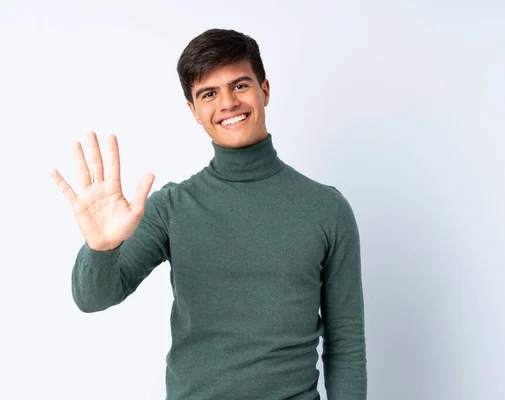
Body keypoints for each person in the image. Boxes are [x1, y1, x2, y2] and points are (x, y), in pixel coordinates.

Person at [50, 28, 367, 400]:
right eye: (209, 93)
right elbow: (93, 299)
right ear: (194, 111)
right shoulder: (172, 207)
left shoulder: (326, 209)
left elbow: (345, 344)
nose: (228, 103)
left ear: (264, 90)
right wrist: (101, 248)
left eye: (240, 85)